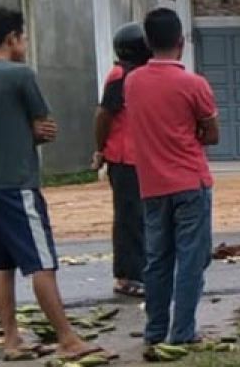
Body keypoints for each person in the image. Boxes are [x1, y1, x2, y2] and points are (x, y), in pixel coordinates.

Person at [0, 7, 109, 362]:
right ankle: (67, 339)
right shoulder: (19, 75)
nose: (26, 43)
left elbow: (0, 127)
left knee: (3, 264)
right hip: (16, 183)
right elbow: (43, 124)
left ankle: (12, 339)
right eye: (24, 37)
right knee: (42, 262)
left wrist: (28, 132)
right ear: (12, 38)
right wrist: (37, 133)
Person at [125, 8, 219, 350]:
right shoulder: (194, 84)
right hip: (190, 182)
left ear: (149, 42)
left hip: (151, 185)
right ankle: (183, 332)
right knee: (192, 259)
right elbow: (212, 134)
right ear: (181, 42)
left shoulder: (132, 83)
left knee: (157, 260)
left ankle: (155, 331)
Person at [92, 22, 151, 298]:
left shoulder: (142, 75)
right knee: (128, 218)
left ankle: (144, 270)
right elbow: (104, 115)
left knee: (142, 217)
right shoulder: (119, 75)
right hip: (124, 158)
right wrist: (100, 149)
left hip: (143, 158)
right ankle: (127, 276)